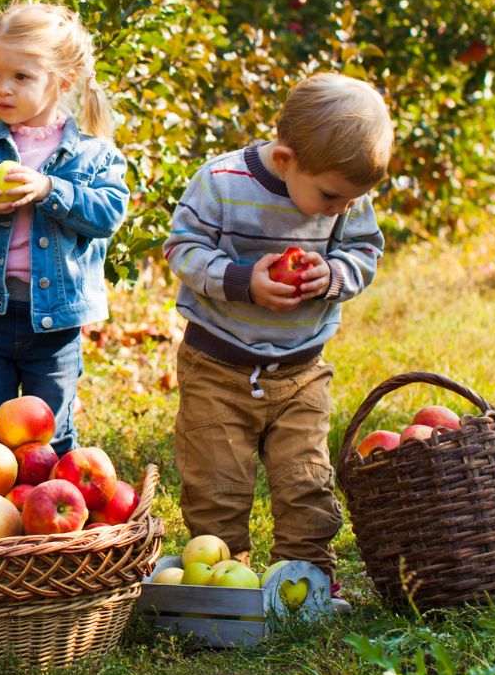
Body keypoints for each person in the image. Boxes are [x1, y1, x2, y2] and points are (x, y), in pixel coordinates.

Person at [162, 73, 390, 592]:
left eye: (349, 202)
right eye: (331, 197)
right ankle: (224, 580)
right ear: (286, 160)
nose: (339, 210)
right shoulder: (220, 182)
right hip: (218, 366)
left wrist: (331, 275)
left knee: (306, 483)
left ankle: (305, 582)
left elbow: (363, 250)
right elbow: (182, 248)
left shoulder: (345, 194)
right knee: (216, 485)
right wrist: (243, 281)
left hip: (301, 370)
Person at [0, 2, 129, 454]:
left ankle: (46, 512)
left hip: (53, 321)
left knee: (47, 434)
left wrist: (48, 189)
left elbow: (109, 213)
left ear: (63, 81)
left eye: (21, 77)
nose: (3, 89)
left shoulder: (92, 155)